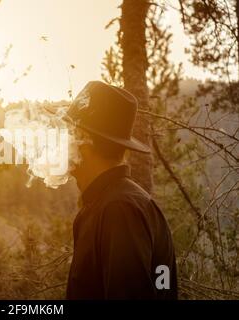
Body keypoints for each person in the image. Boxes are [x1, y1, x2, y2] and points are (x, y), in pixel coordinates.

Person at [59, 81, 178, 299]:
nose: (62, 142)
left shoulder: (119, 209)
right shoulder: (108, 202)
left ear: (85, 142)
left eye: (69, 133)